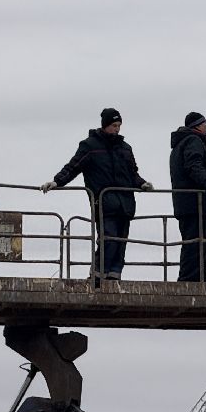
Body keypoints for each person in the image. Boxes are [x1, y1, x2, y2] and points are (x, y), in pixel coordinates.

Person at [41, 107, 153, 283]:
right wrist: (57, 181)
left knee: (121, 242)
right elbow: (73, 167)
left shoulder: (125, 148)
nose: (117, 129)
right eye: (114, 125)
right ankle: (98, 276)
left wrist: (142, 184)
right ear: (105, 125)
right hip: (104, 202)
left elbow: (133, 174)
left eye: (119, 125)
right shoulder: (90, 146)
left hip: (125, 202)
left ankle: (114, 277)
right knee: (108, 239)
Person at [169, 112, 206, 282]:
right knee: (198, 245)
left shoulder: (180, 145)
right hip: (195, 203)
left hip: (185, 203)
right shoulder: (194, 141)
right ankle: (192, 281)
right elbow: (194, 165)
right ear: (198, 125)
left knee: (191, 244)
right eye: (205, 124)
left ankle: (189, 279)